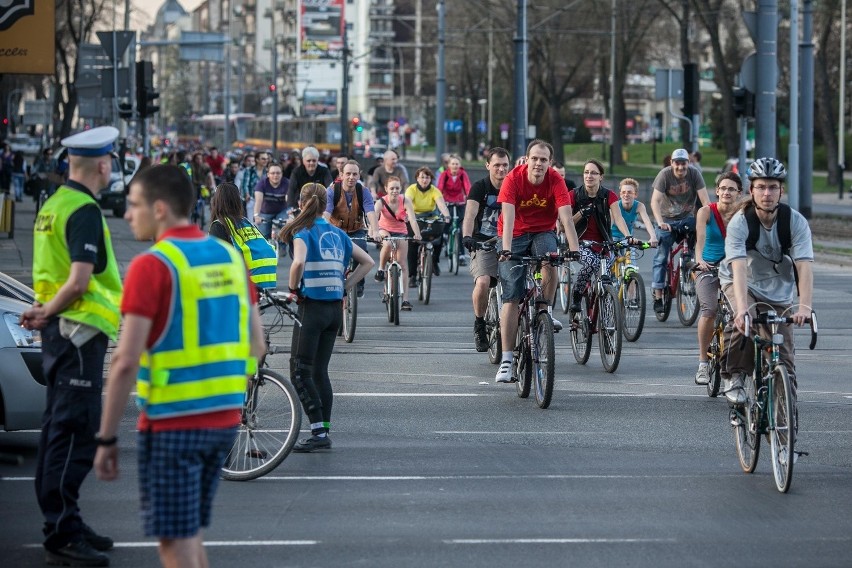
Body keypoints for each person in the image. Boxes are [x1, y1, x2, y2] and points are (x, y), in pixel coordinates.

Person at [93, 164, 265, 568]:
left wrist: (104, 439)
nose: (126, 214)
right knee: (190, 538)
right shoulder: (229, 257)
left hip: (174, 421)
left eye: (132, 205)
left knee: (175, 545)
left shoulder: (152, 266)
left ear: (159, 209)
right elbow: (256, 345)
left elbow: (124, 362)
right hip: (223, 420)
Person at [20, 126, 123, 567]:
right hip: (77, 331)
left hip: (61, 329)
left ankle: (67, 520)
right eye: (112, 160)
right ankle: (61, 528)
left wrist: (43, 309)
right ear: (102, 165)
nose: (113, 166)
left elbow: (51, 271)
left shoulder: (53, 205)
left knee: (58, 426)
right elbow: (79, 280)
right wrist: (47, 312)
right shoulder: (83, 209)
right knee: (75, 430)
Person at [280, 183, 374, 451]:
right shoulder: (337, 233)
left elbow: (298, 263)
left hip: (312, 307)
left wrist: (292, 289)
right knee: (320, 371)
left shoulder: (302, 231)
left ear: (302, 203)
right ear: (325, 205)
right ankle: (323, 429)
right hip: (334, 311)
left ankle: (318, 432)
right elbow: (368, 262)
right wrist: (345, 285)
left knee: (299, 370)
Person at [719, 158, 813, 406]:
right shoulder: (740, 221)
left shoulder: (795, 222)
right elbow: (738, 268)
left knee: (784, 362)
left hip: (778, 291)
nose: (767, 193)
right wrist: (741, 308)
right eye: (761, 187)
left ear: (781, 191)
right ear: (751, 190)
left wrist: (804, 306)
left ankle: (783, 439)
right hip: (741, 282)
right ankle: (735, 375)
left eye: (773, 187)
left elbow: (804, 266)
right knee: (744, 318)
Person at [495, 140, 580, 383]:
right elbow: (508, 216)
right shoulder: (513, 178)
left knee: (551, 260)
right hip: (515, 233)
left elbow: (566, 217)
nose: (539, 163)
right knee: (511, 296)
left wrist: (574, 250)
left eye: (544, 160)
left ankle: (545, 308)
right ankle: (507, 360)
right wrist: (507, 249)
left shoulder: (556, 180)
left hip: (543, 232)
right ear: (527, 159)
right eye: (535, 158)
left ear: (549, 163)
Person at [693, 172, 742, 386]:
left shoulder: (744, 213)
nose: (727, 192)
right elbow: (700, 240)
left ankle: (734, 361)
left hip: (733, 269)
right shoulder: (705, 212)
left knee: (739, 313)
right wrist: (699, 260)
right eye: (723, 188)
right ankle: (703, 362)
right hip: (708, 267)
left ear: (739, 193)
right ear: (717, 191)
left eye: (732, 189)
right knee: (709, 310)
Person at [566, 159, 634, 313]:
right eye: (586, 172)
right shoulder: (574, 195)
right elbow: (565, 223)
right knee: (591, 263)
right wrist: (581, 213)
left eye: (594, 173)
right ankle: (577, 294)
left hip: (603, 244)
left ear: (601, 177)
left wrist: (628, 236)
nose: (589, 176)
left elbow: (618, 218)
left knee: (606, 271)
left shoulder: (608, 195)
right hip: (580, 243)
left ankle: (604, 302)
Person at [650, 148, 710, 314]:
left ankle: (688, 273)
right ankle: (658, 294)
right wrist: (660, 222)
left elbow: (705, 201)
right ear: (672, 163)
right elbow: (655, 201)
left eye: (683, 163)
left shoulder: (694, 174)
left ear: (688, 163)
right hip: (666, 220)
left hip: (686, 218)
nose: (680, 167)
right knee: (662, 256)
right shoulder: (664, 175)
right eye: (677, 163)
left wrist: (707, 219)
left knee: (692, 250)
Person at [462, 147, 511, 351]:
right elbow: (470, 215)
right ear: (488, 165)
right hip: (483, 241)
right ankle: (479, 323)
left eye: (505, 165)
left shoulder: (513, 186)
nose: (501, 169)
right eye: (497, 165)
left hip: (509, 241)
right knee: (482, 282)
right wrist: (467, 236)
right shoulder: (480, 187)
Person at [324, 160, 378, 298]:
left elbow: (370, 211)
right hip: (335, 230)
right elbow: (326, 214)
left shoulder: (363, 191)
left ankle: (358, 284)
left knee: (362, 254)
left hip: (356, 230)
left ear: (359, 176)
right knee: (334, 258)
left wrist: (375, 230)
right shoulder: (332, 191)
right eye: (348, 173)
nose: (351, 177)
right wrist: (322, 230)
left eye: (355, 174)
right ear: (341, 175)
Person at [210, 182, 278, 289]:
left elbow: (217, 261)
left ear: (216, 201)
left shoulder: (219, 225)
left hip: (244, 283)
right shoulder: (246, 222)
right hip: (266, 279)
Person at [374, 175, 422, 310]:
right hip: (384, 229)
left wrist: (417, 233)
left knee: (402, 264)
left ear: (400, 188)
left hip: (401, 231)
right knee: (387, 244)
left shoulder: (405, 201)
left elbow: (412, 219)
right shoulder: (381, 202)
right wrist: (374, 232)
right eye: (392, 188)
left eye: (397, 188)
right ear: (386, 189)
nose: (395, 191)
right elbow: (374, 217)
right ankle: (381, 269)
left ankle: (405, 300)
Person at [405, 166, 451, 284]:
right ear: (417, 178)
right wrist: (407, 213)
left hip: (431, 218)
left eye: (427, 177)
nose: (424, 180)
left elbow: (441, 203)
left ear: (431, 178)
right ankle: (412, 275)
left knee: (438, 238)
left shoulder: (434, 190)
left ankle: (434, 261)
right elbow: (408, 201)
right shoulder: (411, 189)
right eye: (422, 177)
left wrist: (446, 215)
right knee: (413, 244)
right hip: (415, 218)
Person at [611, 178, 657, 244]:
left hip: (628, 238)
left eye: (629, 192)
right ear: (620, 194)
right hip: (613, 237)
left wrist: (653, 237)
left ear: (635, 195)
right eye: (623, 192)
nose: (626, 195)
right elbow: (609, 224)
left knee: (632, 253)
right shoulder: (615, 205)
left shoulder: (639, 206)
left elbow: (647, 221)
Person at [253, 161, 289, 239]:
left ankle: (281, 246)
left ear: (282, 174)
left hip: (282, 212)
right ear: (268, 174)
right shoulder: (262, 183)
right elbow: (258, 201)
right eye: (272, 173)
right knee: (263, 237)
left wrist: (291, 217)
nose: (275, 175)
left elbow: (289, 200)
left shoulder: (287, 183)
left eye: (278, 173)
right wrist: (256, 215)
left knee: (282, 236)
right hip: (266, 212)